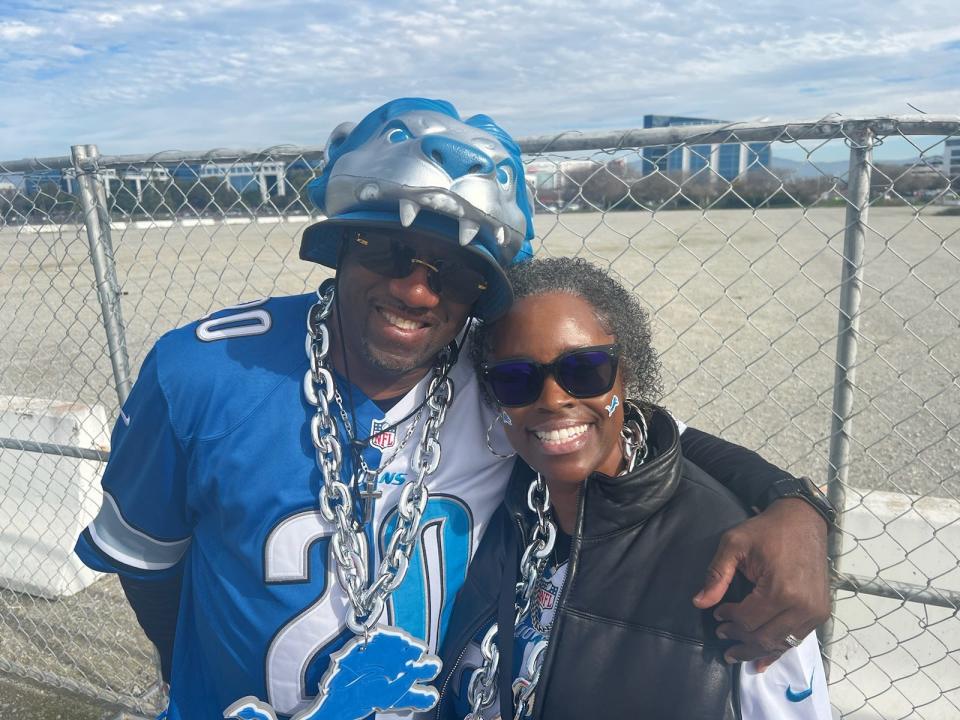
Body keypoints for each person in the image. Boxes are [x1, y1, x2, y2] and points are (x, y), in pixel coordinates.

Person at [73, 98, 833, 720]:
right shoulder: (201, 371)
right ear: (335, 246)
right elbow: (150, 567)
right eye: (384, 250)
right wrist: (196, 680)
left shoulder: (502, 385)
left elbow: (634, 432)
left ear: (480, 293)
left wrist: (795, 506)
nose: (414, 290)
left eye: (456, 271)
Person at [436, 256, 832, 719]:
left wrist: (801, 502)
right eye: (515, 379)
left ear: (626, 376)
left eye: (584, 370)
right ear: (493, 397)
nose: (553, 399)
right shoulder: (496, 507)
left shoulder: (734, 561)